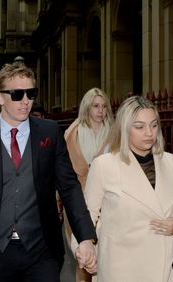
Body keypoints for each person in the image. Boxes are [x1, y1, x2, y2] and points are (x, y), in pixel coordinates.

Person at [0, 62, 97, 282]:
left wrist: (85, 237)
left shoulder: (49, 132)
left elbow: (69, 186)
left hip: (42, 249)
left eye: (31, 93)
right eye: (17, 94)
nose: (26, 101)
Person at [81, 95, 173, 281]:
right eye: (140, 127)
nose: (149, 133)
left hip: (165, 267)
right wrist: (85, 249)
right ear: (125, 129)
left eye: (154, 125)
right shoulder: (104, 165)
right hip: (120, 269)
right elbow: (86, 216)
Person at [63, 87, 114, 282]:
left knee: (105, 256)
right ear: (87, 107)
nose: (100, 111)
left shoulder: (115, 134)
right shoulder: (72, 134)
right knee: (84, 257)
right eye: (95, 106)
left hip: (106, 203)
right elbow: (64, 172)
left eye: (104, 106)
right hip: (78, 201)